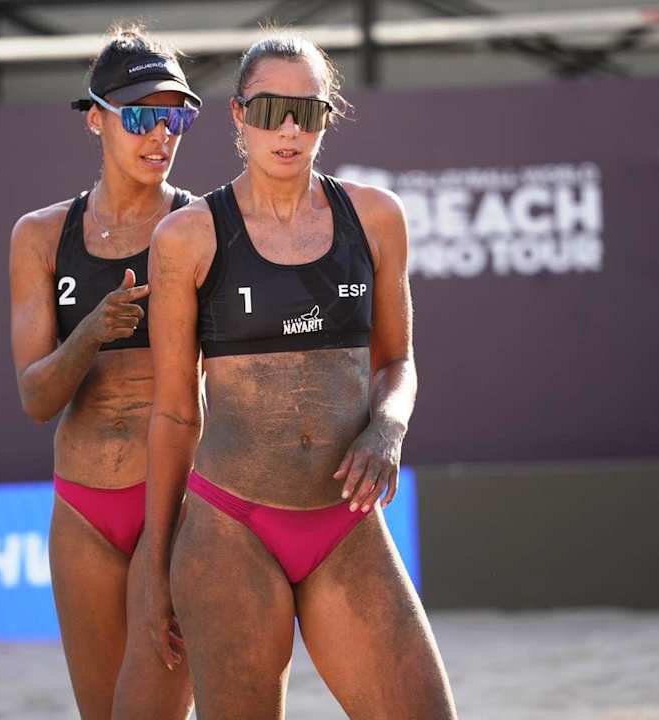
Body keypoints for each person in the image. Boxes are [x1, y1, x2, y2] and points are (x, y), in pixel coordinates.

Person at [142, 33, 457, 719]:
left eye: (307, 112)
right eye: (269, 110)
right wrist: (153, 562)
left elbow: (396, 362)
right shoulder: (188, 236)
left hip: (345, 520)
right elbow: (174, 413)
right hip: (230, 524)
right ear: (237, 114)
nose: (288, 129)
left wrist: (387, 427)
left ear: (327, 116)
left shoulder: (374, 217)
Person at [8, 25, 200, 720]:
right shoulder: (41, 235)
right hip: (82, 507)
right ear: (96, 119)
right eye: (142, 117)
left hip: (173, 500)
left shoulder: (202, 226)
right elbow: (36, 398)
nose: (162, 134)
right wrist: (91, 332)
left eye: (176, 118)